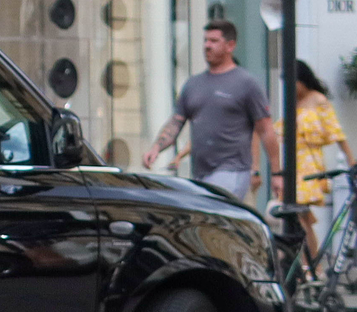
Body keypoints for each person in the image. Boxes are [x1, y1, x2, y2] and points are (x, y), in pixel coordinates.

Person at [146, 20, 279, 203]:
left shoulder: (246, 83)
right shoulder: (193, 84)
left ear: (230, 45)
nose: (207, 46)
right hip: (200, 174)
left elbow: (266, 131)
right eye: (206, 40)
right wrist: (156, 148)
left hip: (232, 171)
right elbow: (176, 122)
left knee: (212, 209)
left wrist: (277, 173)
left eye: (214, 41)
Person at [292, 60, 352, 259]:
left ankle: (311, 264)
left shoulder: (317, 100)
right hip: (292, 164)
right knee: (301, 219)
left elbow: (336, 132)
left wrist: (351, 162)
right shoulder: (293, 102)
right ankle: (308, 264)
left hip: (309, 165)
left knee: (301, 218)